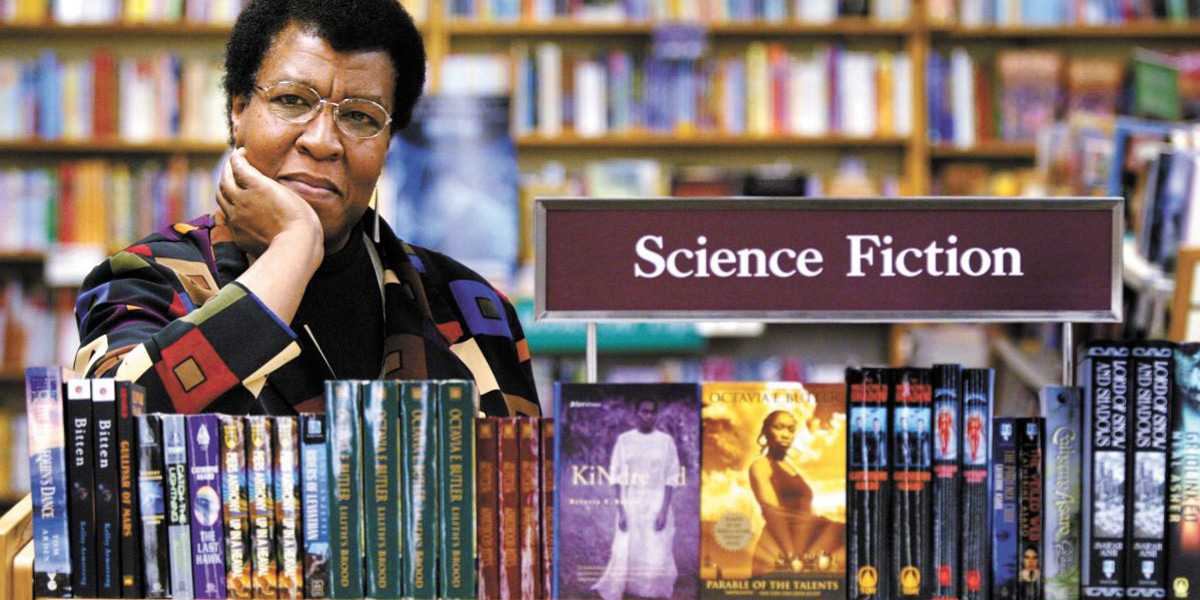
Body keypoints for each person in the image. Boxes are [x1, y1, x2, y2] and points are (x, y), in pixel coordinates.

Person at [71, 0, 538, 417]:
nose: (322, 141)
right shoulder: (146, 280)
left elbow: (517, 500)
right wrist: (294, 247)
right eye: (292, 101)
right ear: (238, 112)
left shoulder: (471, 307)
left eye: (360, 116)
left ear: (389, 144)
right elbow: (108, 438)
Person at [592, 399, 681, 600]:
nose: (648, 416)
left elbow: (671, 477)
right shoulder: (625, 440)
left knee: (656, 546)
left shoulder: (665, 441)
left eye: (652, 412)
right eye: (644, 411)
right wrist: (621, 510)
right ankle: (628, 586)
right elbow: (615, 476)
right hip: (631, 500)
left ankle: (651, 589)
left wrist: (664, 510)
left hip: (657, 501)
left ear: (656, 415)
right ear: (636, 413)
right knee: (627, 545)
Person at [748, 410, 845, 576]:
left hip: (803, 550)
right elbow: (773, 513)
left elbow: (805, 512)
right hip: (781, 552)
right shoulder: (761, 465)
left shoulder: (792, 468)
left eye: (791, 429)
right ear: (766, 431)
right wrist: (792, 556)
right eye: (779, 428)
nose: (785, 434)